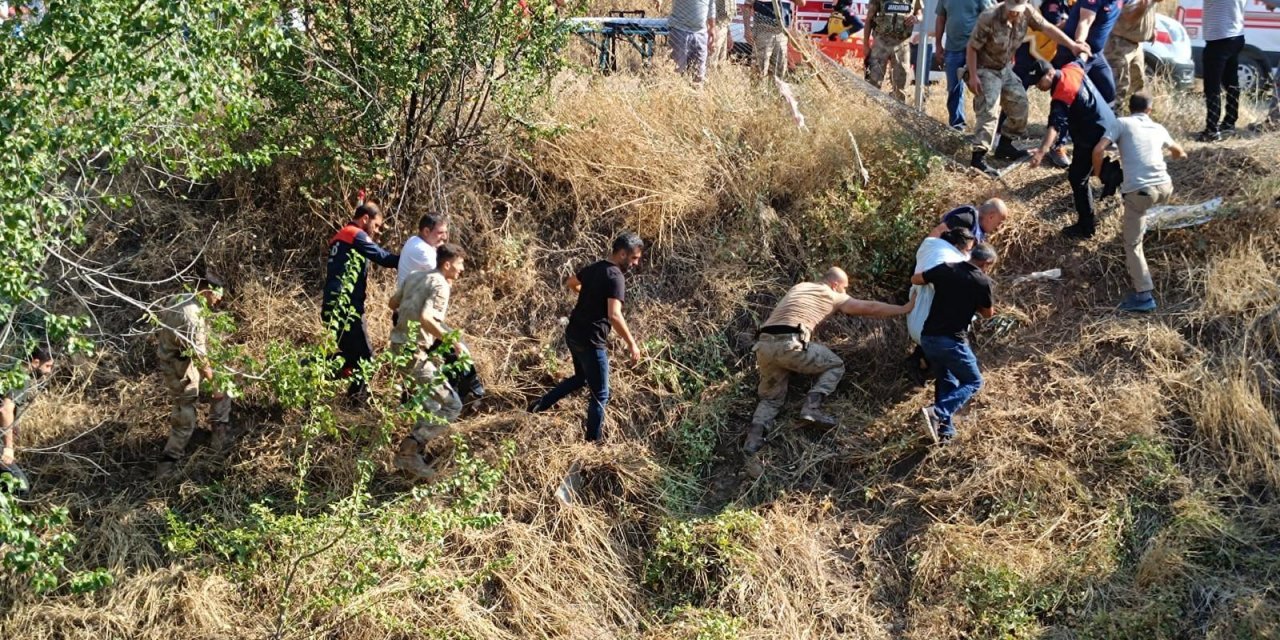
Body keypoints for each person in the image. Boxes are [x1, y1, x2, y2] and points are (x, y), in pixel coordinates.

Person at [744, 267, 914, 454]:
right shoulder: (833, 295)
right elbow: (870, 308)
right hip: (790, 344)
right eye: (845, 288)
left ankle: (753, 439)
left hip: (764, 346)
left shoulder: (800, 287)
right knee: (835, 365)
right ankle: (811, 407)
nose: (846, 292)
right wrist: (904, 308)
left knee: (771, 398)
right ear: (835, 285)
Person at [530, 233, 644, 443]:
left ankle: (539, 405)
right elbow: (614, 315)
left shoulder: (594, 268)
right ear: (622, 253)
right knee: (600, 395)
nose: (636, 263)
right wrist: (632, 343)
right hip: (592, 341)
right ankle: (593, 443)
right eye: (634, 258)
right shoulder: (615, 276)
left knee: (581, 378)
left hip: (574, 334)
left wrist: (590, 294)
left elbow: (571, 283)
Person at [964, 0, 1088, 176]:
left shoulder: (1028, 12)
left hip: (1004, 68)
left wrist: (1073, 45)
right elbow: (972, 47)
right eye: (1012, 10)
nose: (1015, 14)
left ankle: (1005, 146)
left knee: (1020, 103)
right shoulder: (989, 17)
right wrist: (974, 75)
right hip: (985, 68)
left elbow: (1049, 29)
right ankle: (978, 159)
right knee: (989, 110)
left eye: (1018, 11)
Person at [1092, 92, 1187, 312]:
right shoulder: (1158, 128)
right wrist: (1175, 156)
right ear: (1150, 110)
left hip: (1140, 192)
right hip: (1165, 187)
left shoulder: (1122, 123)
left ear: (1129, 107)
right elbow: (1180, 152)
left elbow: (1098, 150)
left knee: (1133, 244)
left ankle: (1144, 295)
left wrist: (1098, 174)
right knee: (1142, 210)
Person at [389, 243, 468, 480]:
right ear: (447, 264)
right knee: (452, 406)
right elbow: (426, 318)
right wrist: (455, 343)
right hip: (413, 353)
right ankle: (408, 450)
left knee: (431, 405)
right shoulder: (441, 284)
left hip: (398, 348)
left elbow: (393, 303)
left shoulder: (415, 276)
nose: (462, 269)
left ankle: (412, 458)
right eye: (460, 264)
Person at [912, 243, 997, 446]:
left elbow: (916, 279)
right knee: (974, 381)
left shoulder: (946, 268)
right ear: (986, 263)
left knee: (946, 379)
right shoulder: (981, 281)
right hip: (951, 341)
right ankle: (936, 412)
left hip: (928, 339)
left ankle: (945, 431)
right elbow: (988, 314)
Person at [1027, 58, 1117, 239]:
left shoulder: (1061, 94)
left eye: (1039, 81)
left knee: (1077, 177)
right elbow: (1083, 57)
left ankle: (1086, 227)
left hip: (1093, 134)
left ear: (1050, 73)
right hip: (1109, 124)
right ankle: (1113, 176)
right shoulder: (1072, 67)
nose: (1038, 86)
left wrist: (1041, 151)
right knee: (1087, 167)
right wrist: (1081, 45)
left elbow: (1055, 126)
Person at [155, 276, 232, 476]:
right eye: (216, 296)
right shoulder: (192, 315)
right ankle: (166, 467)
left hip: (176, 360)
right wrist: (214, 383)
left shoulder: (181, 298)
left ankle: (217, 438)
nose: (218, 301)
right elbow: (199, 357)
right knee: (184, 416)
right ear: (207, 291)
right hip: (179, 369)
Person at [323, 200, 399, 402]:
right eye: (376, 225)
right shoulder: (355, 234)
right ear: (365, 219)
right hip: (346, 307)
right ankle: (355, 402)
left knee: (353, 357)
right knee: (366, 359)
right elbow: (382, 257)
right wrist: (409, 259)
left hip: (334, 305)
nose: (377, 231)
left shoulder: (342, 236)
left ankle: (307, 370)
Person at [905, 228, 976, 385]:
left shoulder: (930, 245)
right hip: (931, 325)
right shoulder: (946, 260)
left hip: (918, 316)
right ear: (957, 246)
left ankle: (920, 365)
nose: (969, 255)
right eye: (968, 250)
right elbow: (945, 280)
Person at [1, 346, 54, 496]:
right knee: (20, 488)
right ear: (36, 362)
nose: (49, 371)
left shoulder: (9, 370)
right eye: (48, 366)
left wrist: (13, 426)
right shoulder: (21, 378)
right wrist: (8, 447)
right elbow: (5, 409)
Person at [934, 0, 994, 129]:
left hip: (976, 50)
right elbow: (940, 18)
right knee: (953, 89)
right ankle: (957, 127)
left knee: (981, 88)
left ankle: (984, 128)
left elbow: (991, 17)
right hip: (952, 49)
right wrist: (938, 44)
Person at [1052, 0, 1123, 106]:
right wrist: (1079, 44)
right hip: (1075, 52)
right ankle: (1060, 120)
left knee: (1108, 92)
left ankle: (1105, 120)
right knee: (1070, 91)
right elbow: (1084, 22)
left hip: (1096, 54)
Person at [1197, 0, 1247, 141]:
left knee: (1212, 87)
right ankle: (1229, 122)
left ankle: (1211, 130)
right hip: (1236, 34)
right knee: (1231, 83)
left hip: (1219, 37)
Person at [1105, 0, 1161, 113]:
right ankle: (1114, 122)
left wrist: (1152, 28)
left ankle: (1139, 120)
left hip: (1136, 44)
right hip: (1118, 44)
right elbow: (1129, 18)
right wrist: (1144, 7)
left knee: (1139, 85)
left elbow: (1150, 8)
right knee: (1119, 88)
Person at [865, 0, 924, 103]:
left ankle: (898, 114)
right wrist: (865, 44)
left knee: (901, 85)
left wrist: (916, 18)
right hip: (880, 43)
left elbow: (919, 14)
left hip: (902, 45)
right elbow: (869, 18)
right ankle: (870, 110)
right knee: (873, 82)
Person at [396, 213, 449, 293]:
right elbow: (445, 279)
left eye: (446, 232)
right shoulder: (424, 252)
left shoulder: (413, 239)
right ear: (426, 231)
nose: (445, 237)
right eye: (440, 233)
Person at [744, 0, 795, 80]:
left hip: (782, 34)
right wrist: (747, 29)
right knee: (759, 69)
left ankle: (775, 91)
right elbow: (747, 6)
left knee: (780, 70)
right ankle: (758, 91)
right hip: (763, 31)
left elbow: (802, 3)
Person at [669, 0, 716, 84]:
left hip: (701, 34)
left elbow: (711, 6)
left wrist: (712, 27)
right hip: (680, 30)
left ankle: (696, 94)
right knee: (676, 71)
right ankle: (675, 94)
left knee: (698, 75)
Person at [927, 198, 1009, 244]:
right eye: (999, 223)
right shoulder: (966, 219)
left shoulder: (980, 233)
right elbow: (937, 232)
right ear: (991, 217)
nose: (998, 227)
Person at [710, 0, 737, 64]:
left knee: (721, 62)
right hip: (715, 26)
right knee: (712, 60)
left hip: (724, 26)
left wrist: (728, 34)